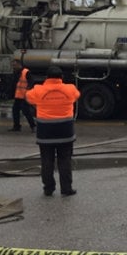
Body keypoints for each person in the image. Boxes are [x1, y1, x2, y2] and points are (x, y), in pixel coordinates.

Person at [25, 66, 80, 196]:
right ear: (61, 77)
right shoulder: (70, 89)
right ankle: (66, 189)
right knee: (65, 160)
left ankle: (48, 188)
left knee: (46, 160)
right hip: (65, 131)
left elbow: (28, 97)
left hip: (45, 131)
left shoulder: (38, 90)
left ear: (47, 77)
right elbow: (77, 95)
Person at [8, 59, 36, 132]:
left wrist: (28, 89)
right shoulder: (16, 72)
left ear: (19, 64)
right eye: (12, 65)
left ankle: (33, 126)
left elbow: (31, 82)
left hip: (24, 96)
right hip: (18, 96)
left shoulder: (26, 72)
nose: (13, 67)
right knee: (15, 111)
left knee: (26, 111)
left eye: (14, 65)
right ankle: (16, 126)